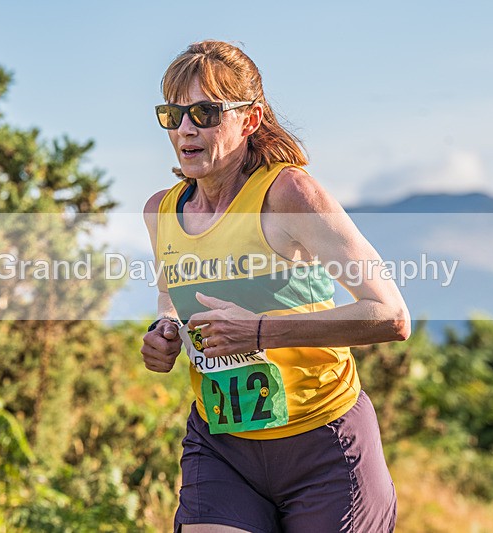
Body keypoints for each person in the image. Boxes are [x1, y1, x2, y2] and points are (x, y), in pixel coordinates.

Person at [141, 40, 410, 533]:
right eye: (173, 114)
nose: (185, 129)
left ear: (250, 119)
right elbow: (169, 294)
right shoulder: (161, 211)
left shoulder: (290, 194)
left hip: (323, 444)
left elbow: (390, 314)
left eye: (204, 112)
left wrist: (261, 332)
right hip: (223, 444)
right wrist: (164, 332)